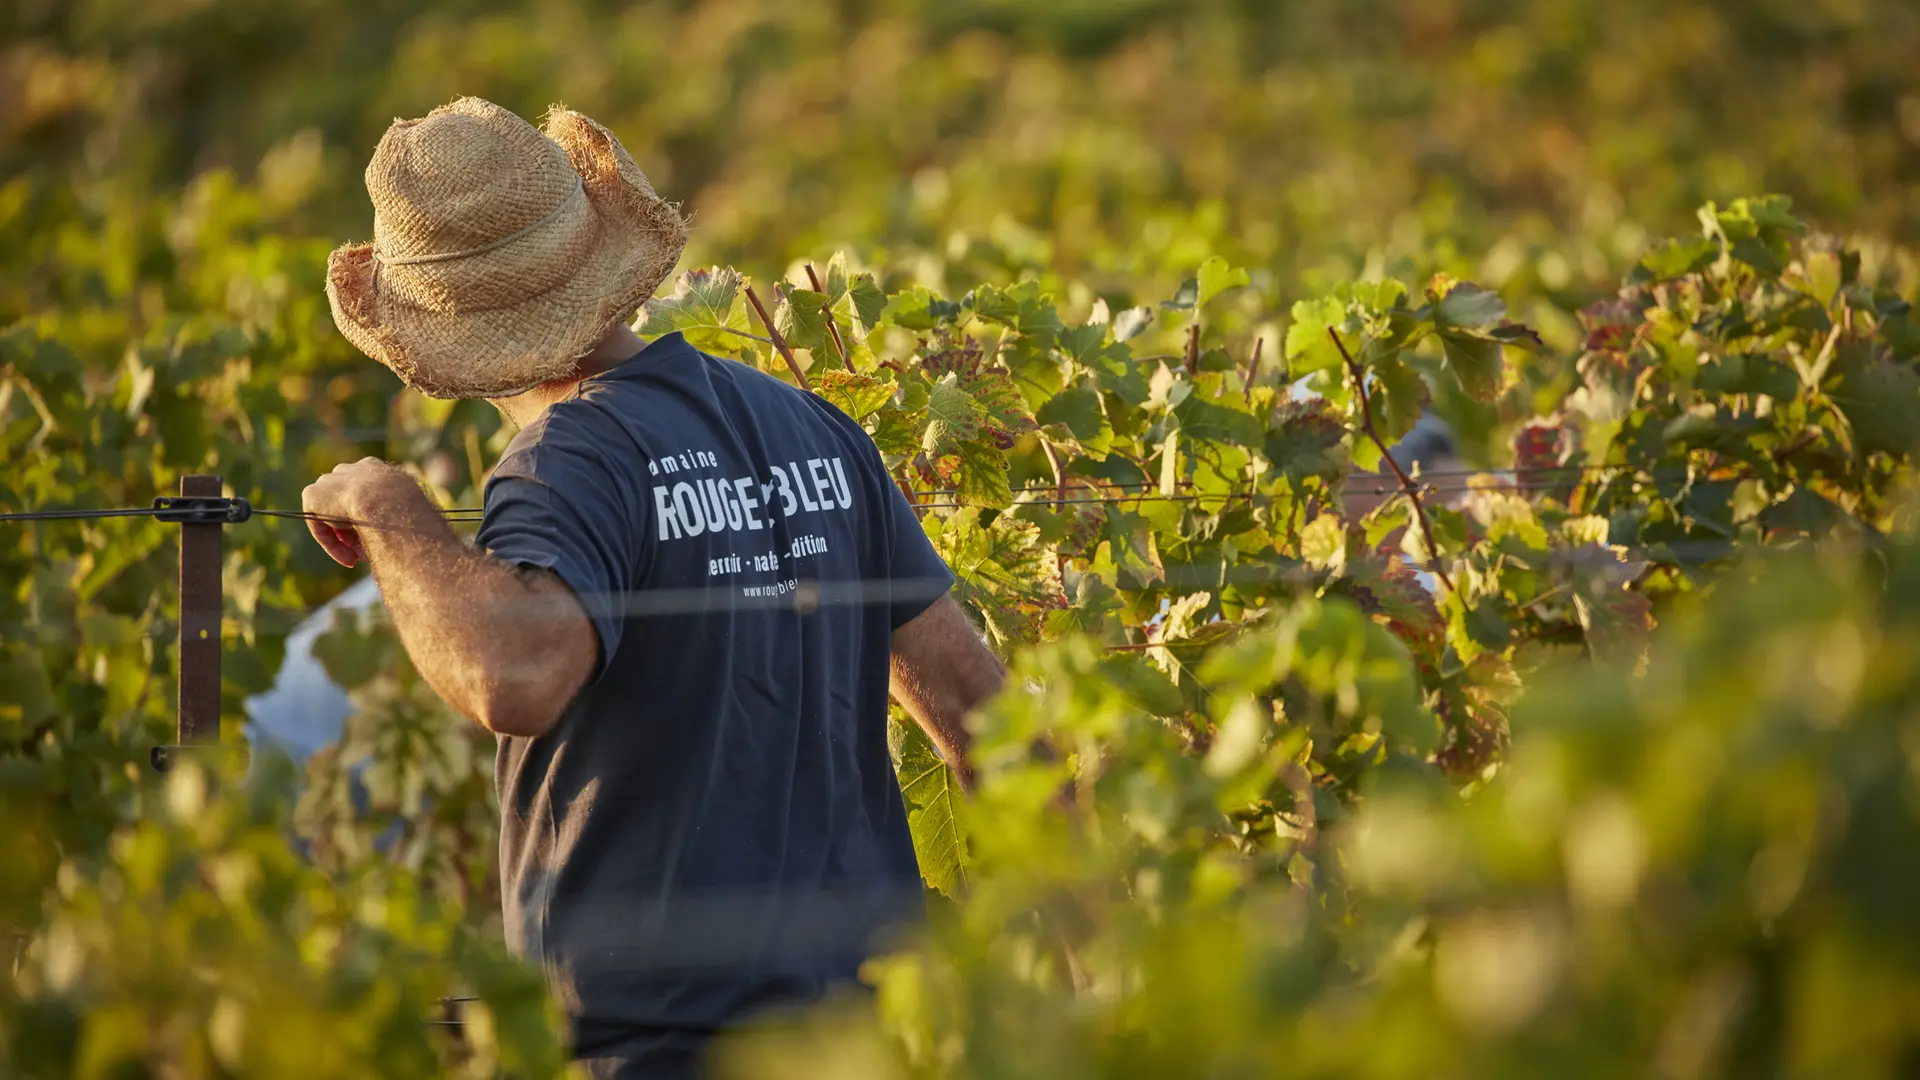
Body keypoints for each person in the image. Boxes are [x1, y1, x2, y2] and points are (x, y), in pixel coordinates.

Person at [299, 97, 1005, 1078]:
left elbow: (514, 674)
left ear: (441, 336)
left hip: (654, 1051)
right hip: (865, 1038)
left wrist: (386, 507)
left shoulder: (569, 461)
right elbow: (984, 716)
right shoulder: (813, 429)